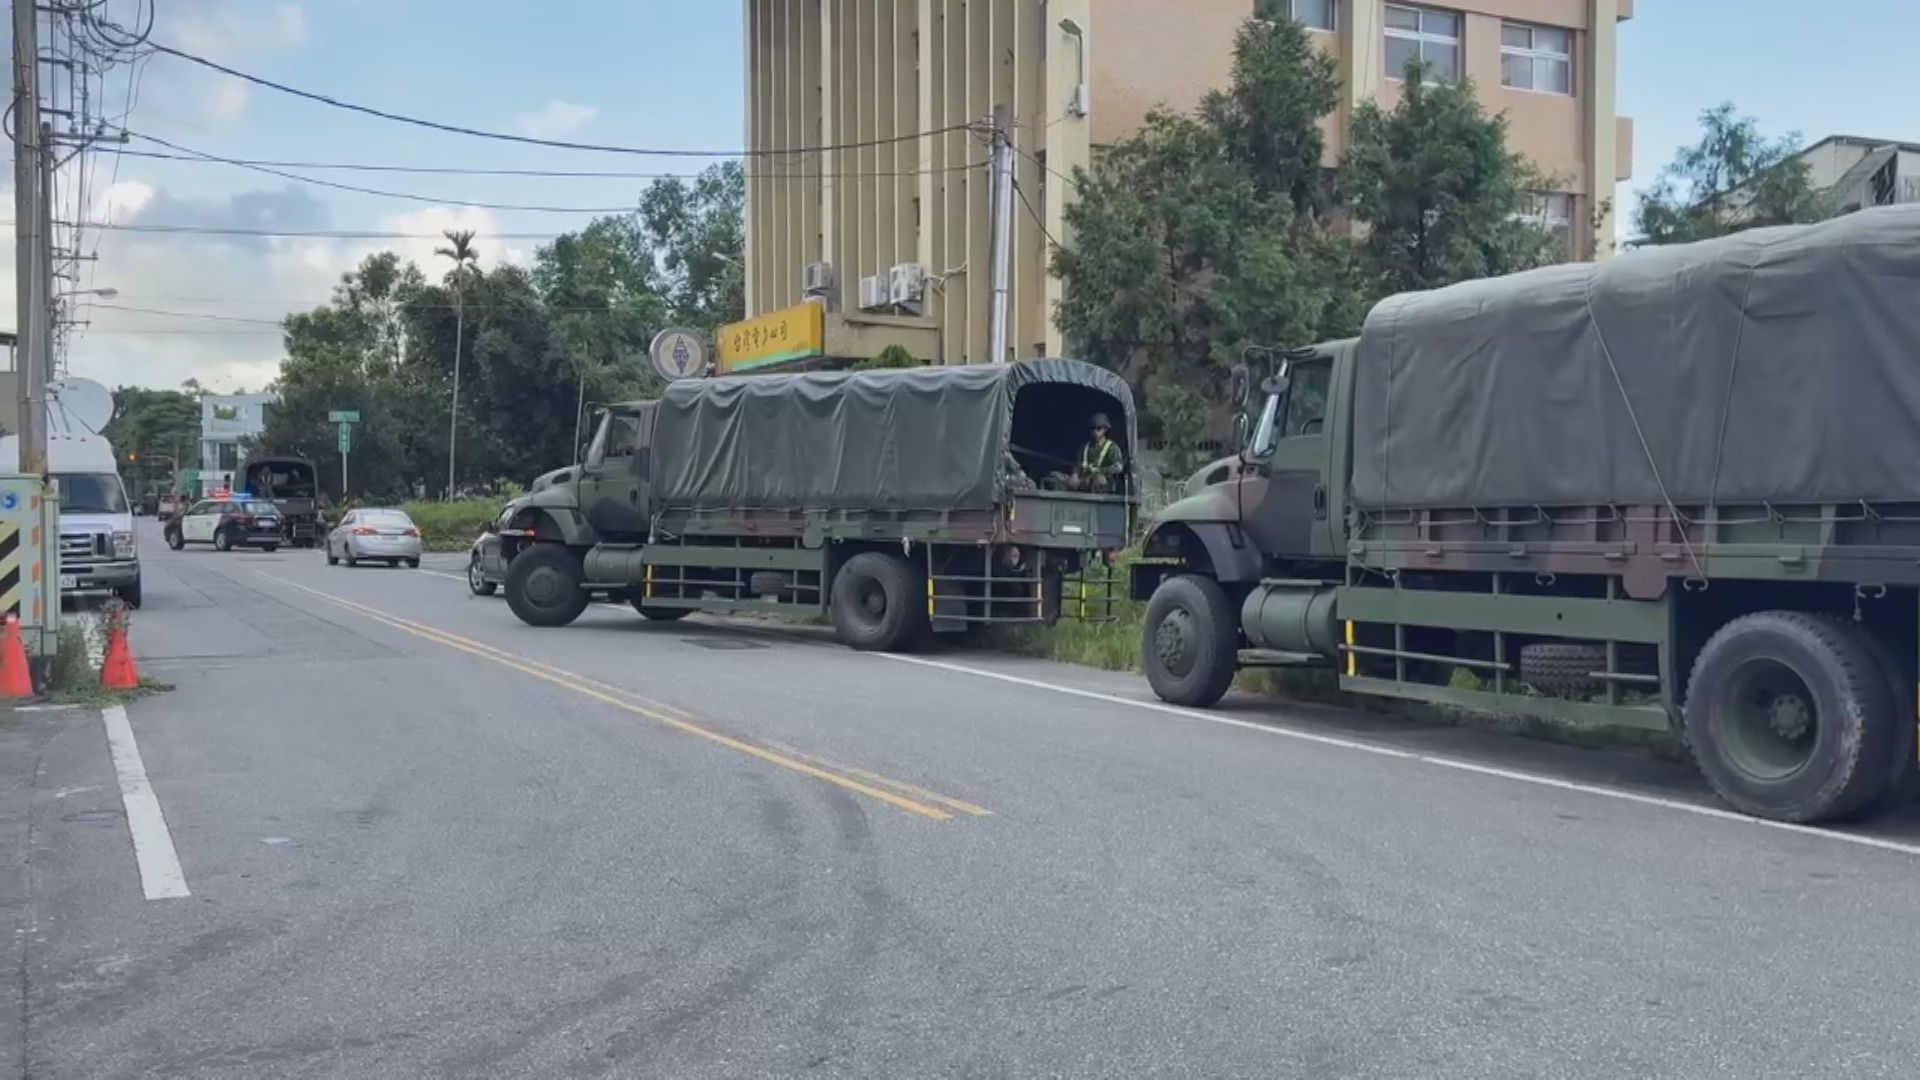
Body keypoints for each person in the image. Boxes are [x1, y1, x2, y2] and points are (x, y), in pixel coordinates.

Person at [1046, 413, 1125, 493]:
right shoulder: (1085, 447)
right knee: (1054, 476)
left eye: (1098, 428)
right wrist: (1074, 475)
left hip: (1100, 483)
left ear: (1105, 429)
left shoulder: (1112, 448)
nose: (1095, 431)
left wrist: (1099, 473)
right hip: (1082, 480)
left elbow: (1118, 467)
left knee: (1099, 480)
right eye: (1092, 429)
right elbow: (1078, 463)